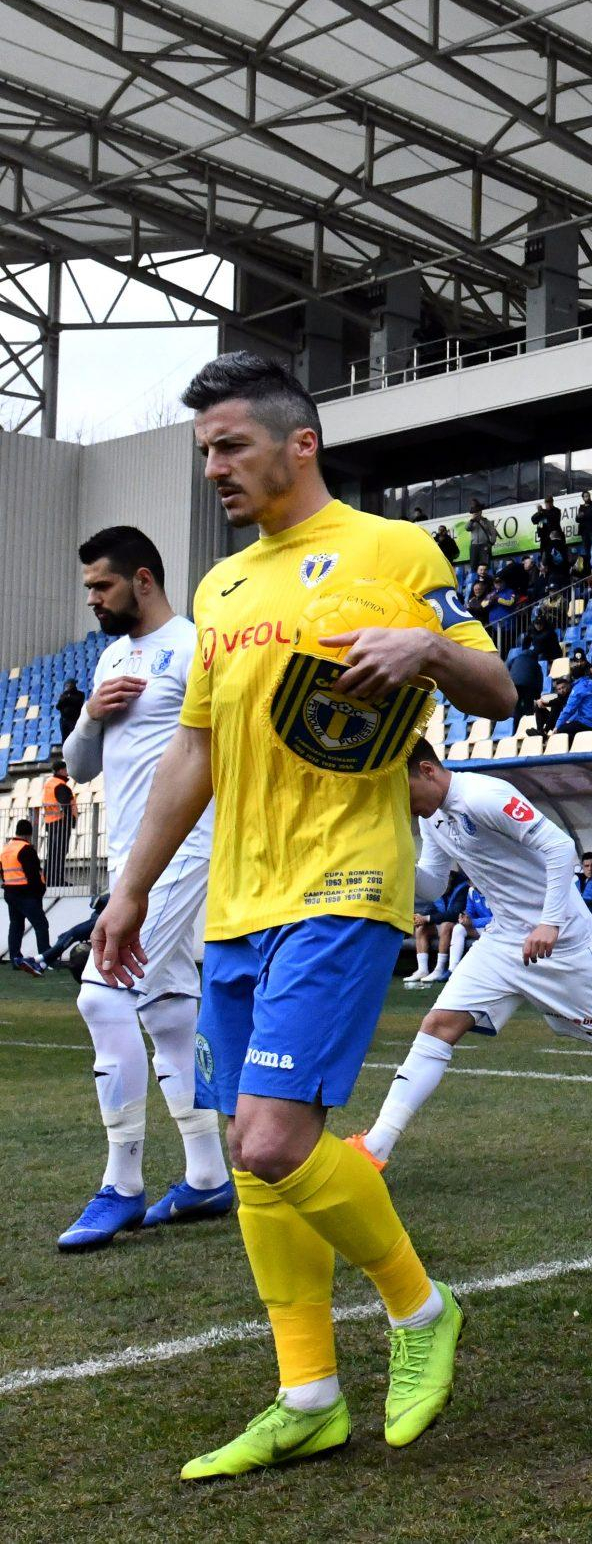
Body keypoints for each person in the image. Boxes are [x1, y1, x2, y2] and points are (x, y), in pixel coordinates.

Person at [92, 352, 514, 1479]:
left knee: (273, 1139)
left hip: (344, 887)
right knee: (253, 1161)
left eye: (230, 446)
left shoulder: (394, 551)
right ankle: (309, 1395)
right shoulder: (224, 589)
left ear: (300, 443)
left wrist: (429, 648)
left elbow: (497, 686)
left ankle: (421, 1309)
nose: (214, 469)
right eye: (206, 452)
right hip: (235, 903)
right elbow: (193, 751)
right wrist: (132, 887)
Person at [354, 746, 592, 1165]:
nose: (402, 804)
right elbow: (434, 885)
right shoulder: (432, 817)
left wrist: (550, 922)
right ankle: (376, 1147)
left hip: (563, 945)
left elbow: (560, 847)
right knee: (438, 1026)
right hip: (503, 940)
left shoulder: (484, 796)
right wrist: (388, 862)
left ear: (426, 770)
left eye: (403, 791)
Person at [54, 525, 232, 1251]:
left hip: (184, 849)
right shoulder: (112, 658)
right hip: (130, 857)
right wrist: (91, 714)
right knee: (168, 1011)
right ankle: (207, 1175)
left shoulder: (194, 648)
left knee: (102, 996)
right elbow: (79, 767)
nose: (93, 599)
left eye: (102, 585)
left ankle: (122, 1184)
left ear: (144, 579)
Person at [3, 817, 47, 974]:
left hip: (10, 892)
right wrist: (39, 891)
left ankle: (15, 959)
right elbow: (33, 875)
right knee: (41, 925)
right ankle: (45, 958)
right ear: (29, 834)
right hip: (26, 894)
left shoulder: (6, 848)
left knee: (16, 926)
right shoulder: (26, 849)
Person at [41, 756, 76, 885]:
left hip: (51, 823)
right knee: (59, 853)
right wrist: (71, 821)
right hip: (61, 823)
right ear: (61, 770)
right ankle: (57, 880)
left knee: (53, 853)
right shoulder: (60, 786)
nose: (67, 772)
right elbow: (66, 806)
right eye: (66, 769)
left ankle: (49, 879)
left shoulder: (49, 784)